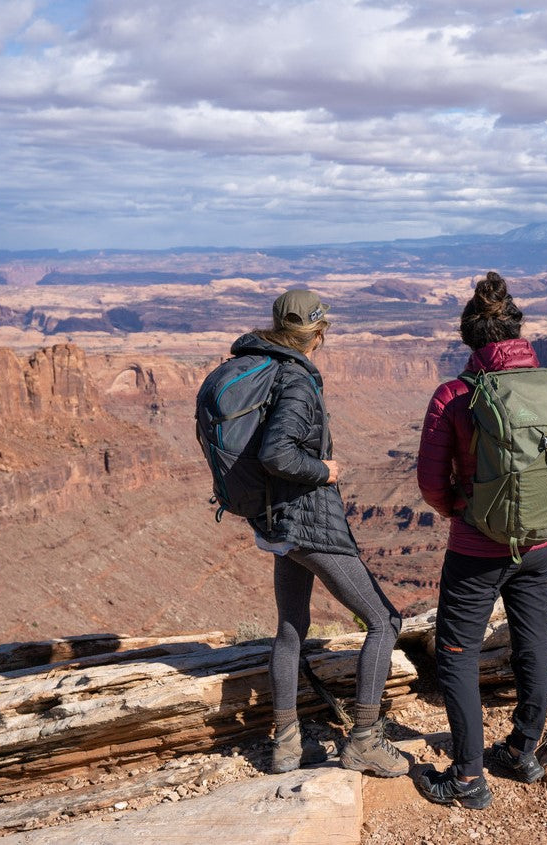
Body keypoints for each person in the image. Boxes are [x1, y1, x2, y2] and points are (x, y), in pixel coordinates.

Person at [413, 272, 547, 809]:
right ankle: (523, 751)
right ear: (518, 331)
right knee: (532, 641)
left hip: (476, 549)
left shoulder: (455, 394)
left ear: (469, 337)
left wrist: (462, 514)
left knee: (458, 653)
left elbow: (429, 480)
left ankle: (468, 779)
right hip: (542, 544)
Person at [231, 289, 408, 778]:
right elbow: (276, 454)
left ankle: (286, 745)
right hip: (305, 522)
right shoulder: (296, 379)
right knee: (384, 621)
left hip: (274, 523)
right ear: (319, 332)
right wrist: (325, 471)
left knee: (291, 628)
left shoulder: (260, 363)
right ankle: (364, 742)